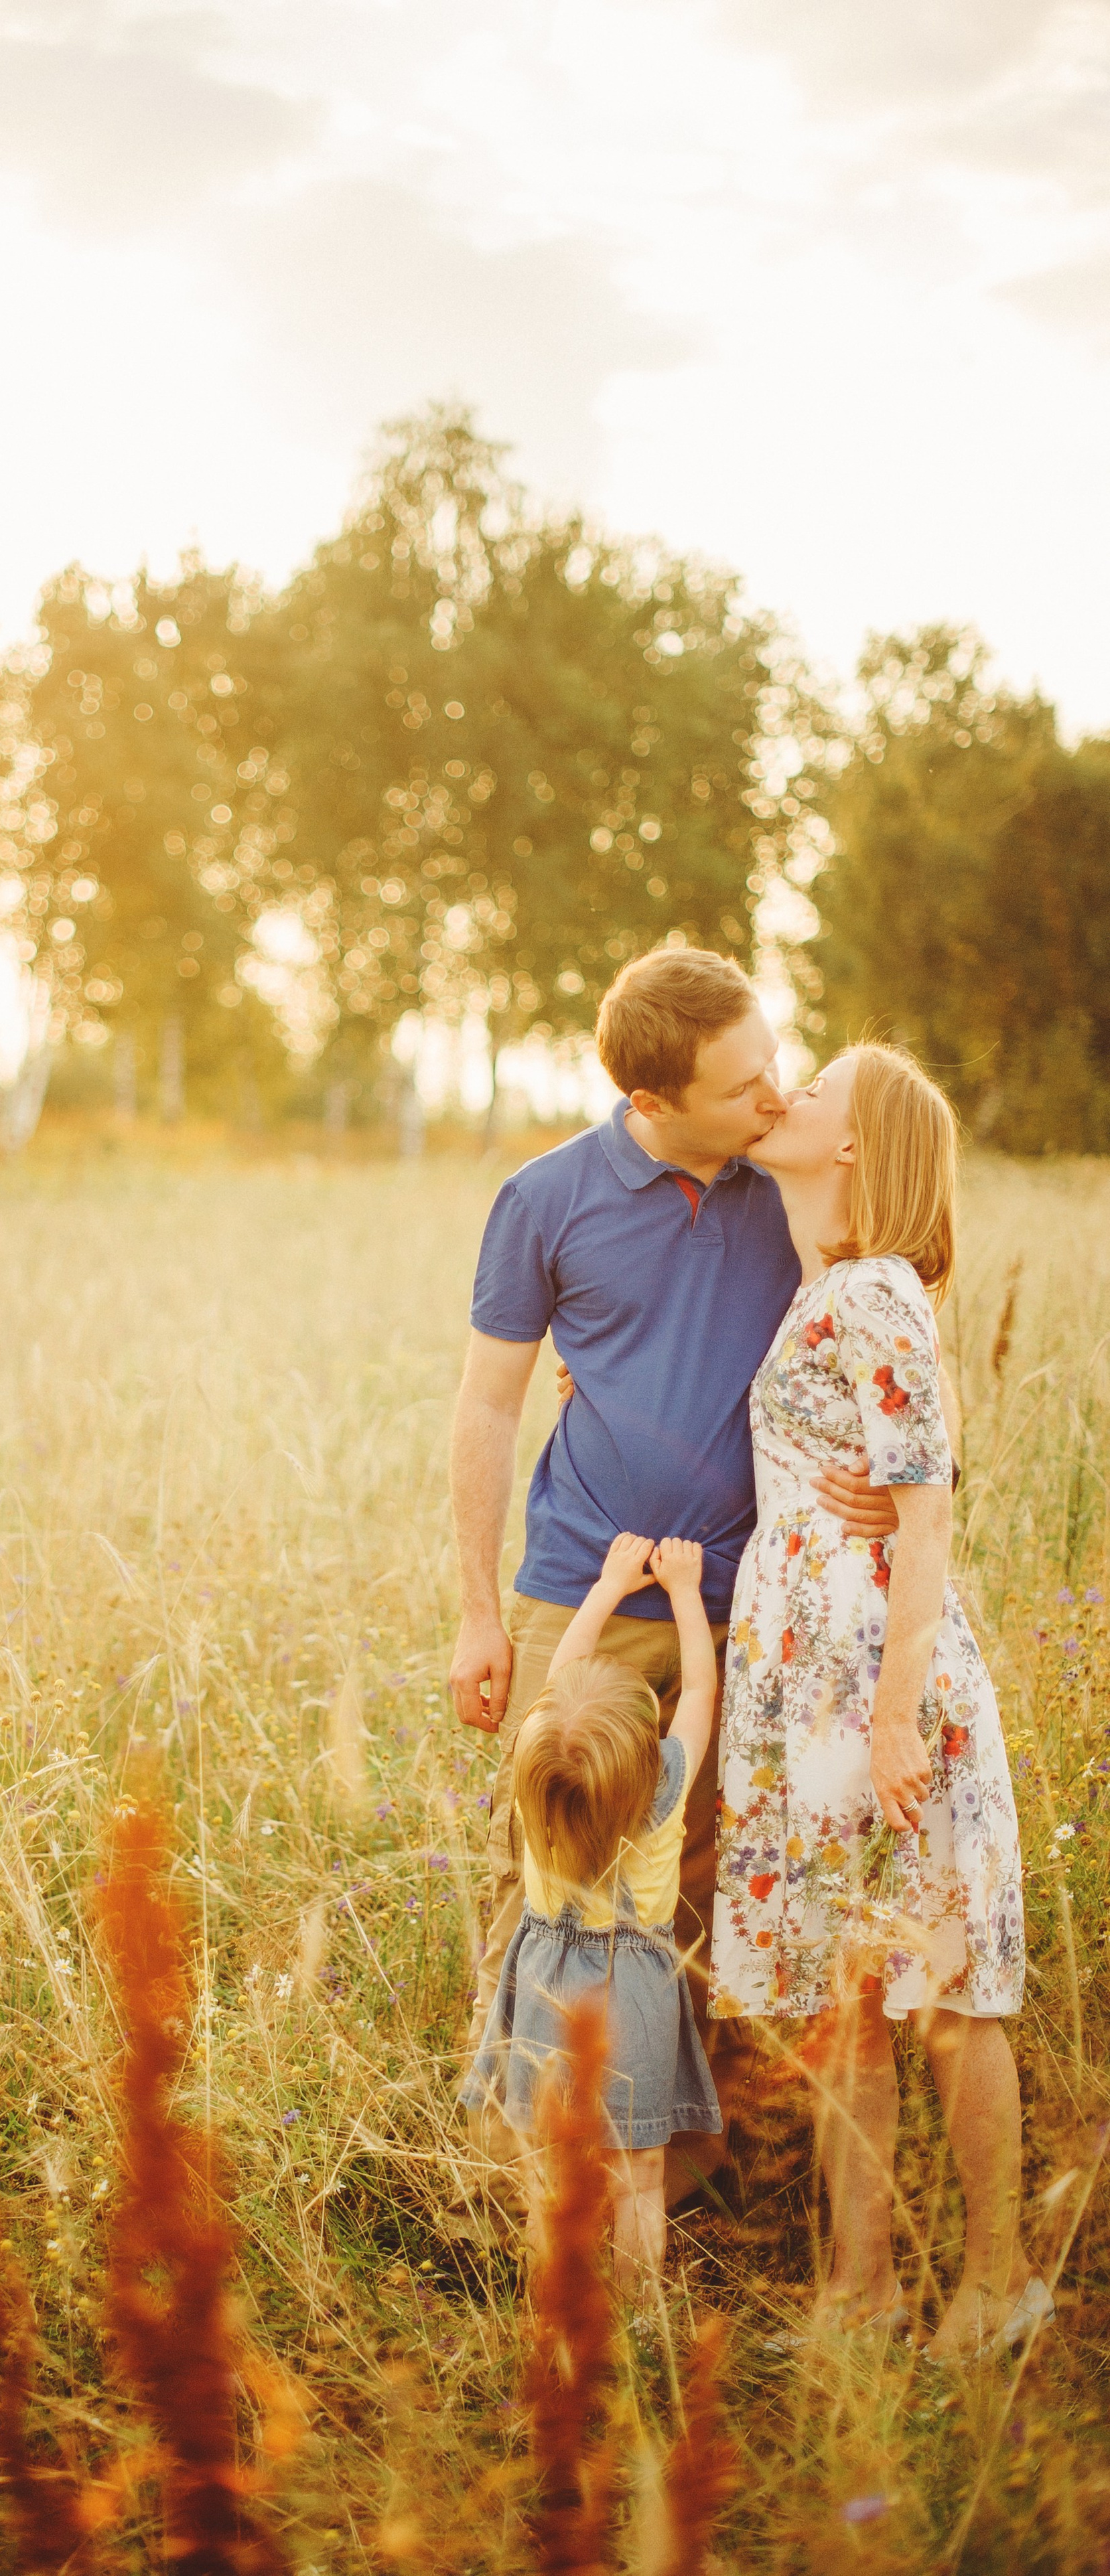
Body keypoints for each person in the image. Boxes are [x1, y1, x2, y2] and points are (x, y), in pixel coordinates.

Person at [449, 945, 901, 2201]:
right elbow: (488, 1405)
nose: (777, 1094)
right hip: (578, 1592)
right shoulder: (545, 1199)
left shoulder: (792, 1182)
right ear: (650, 1100)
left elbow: (894, 1328)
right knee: (548, 1869)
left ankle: (671, 2164)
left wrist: (913, 1479)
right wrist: (481, 1612)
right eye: (743, 1084)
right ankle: (523, 2172)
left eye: (776, 1064)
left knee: (695, 1879)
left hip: (750, 1598)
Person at [712, 1042, 1044, 2358]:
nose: (785, 1094)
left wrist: (896, 1714)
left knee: (945, 1993)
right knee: (847, 1998)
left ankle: (998, 2284)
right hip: (809, 1698)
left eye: (815, 1089)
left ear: (852, 1145)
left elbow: (927, 1510)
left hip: (880, 1694)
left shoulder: (871, 1289)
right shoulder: (823, 1288)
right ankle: (859, 2294)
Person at [463, 1531, 720, 2296]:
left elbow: (558, 1681)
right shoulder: (662, 1790)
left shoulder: (534, 1778)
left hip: (543, 1985)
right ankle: (636, 2315)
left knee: (548, 2171)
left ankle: (555, 2312)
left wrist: (606, 1586)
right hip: (635, 1994)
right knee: (638, 2176)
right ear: (645, 1752)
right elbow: (699, 1696)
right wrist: (684, 1593)